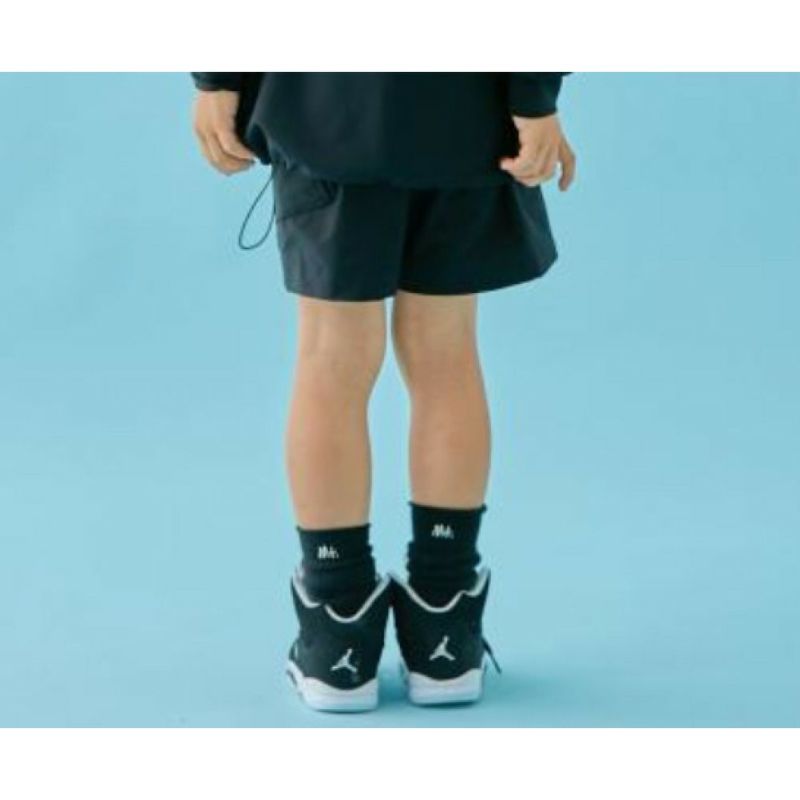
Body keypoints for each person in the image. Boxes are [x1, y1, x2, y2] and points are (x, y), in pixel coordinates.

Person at [191, 72, 575, 712]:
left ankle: (336, 629)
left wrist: (218, 79)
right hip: (465, 114)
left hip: (322, 108)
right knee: (447, 354)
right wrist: (535, 100)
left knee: (331, 358)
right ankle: (444, 630)